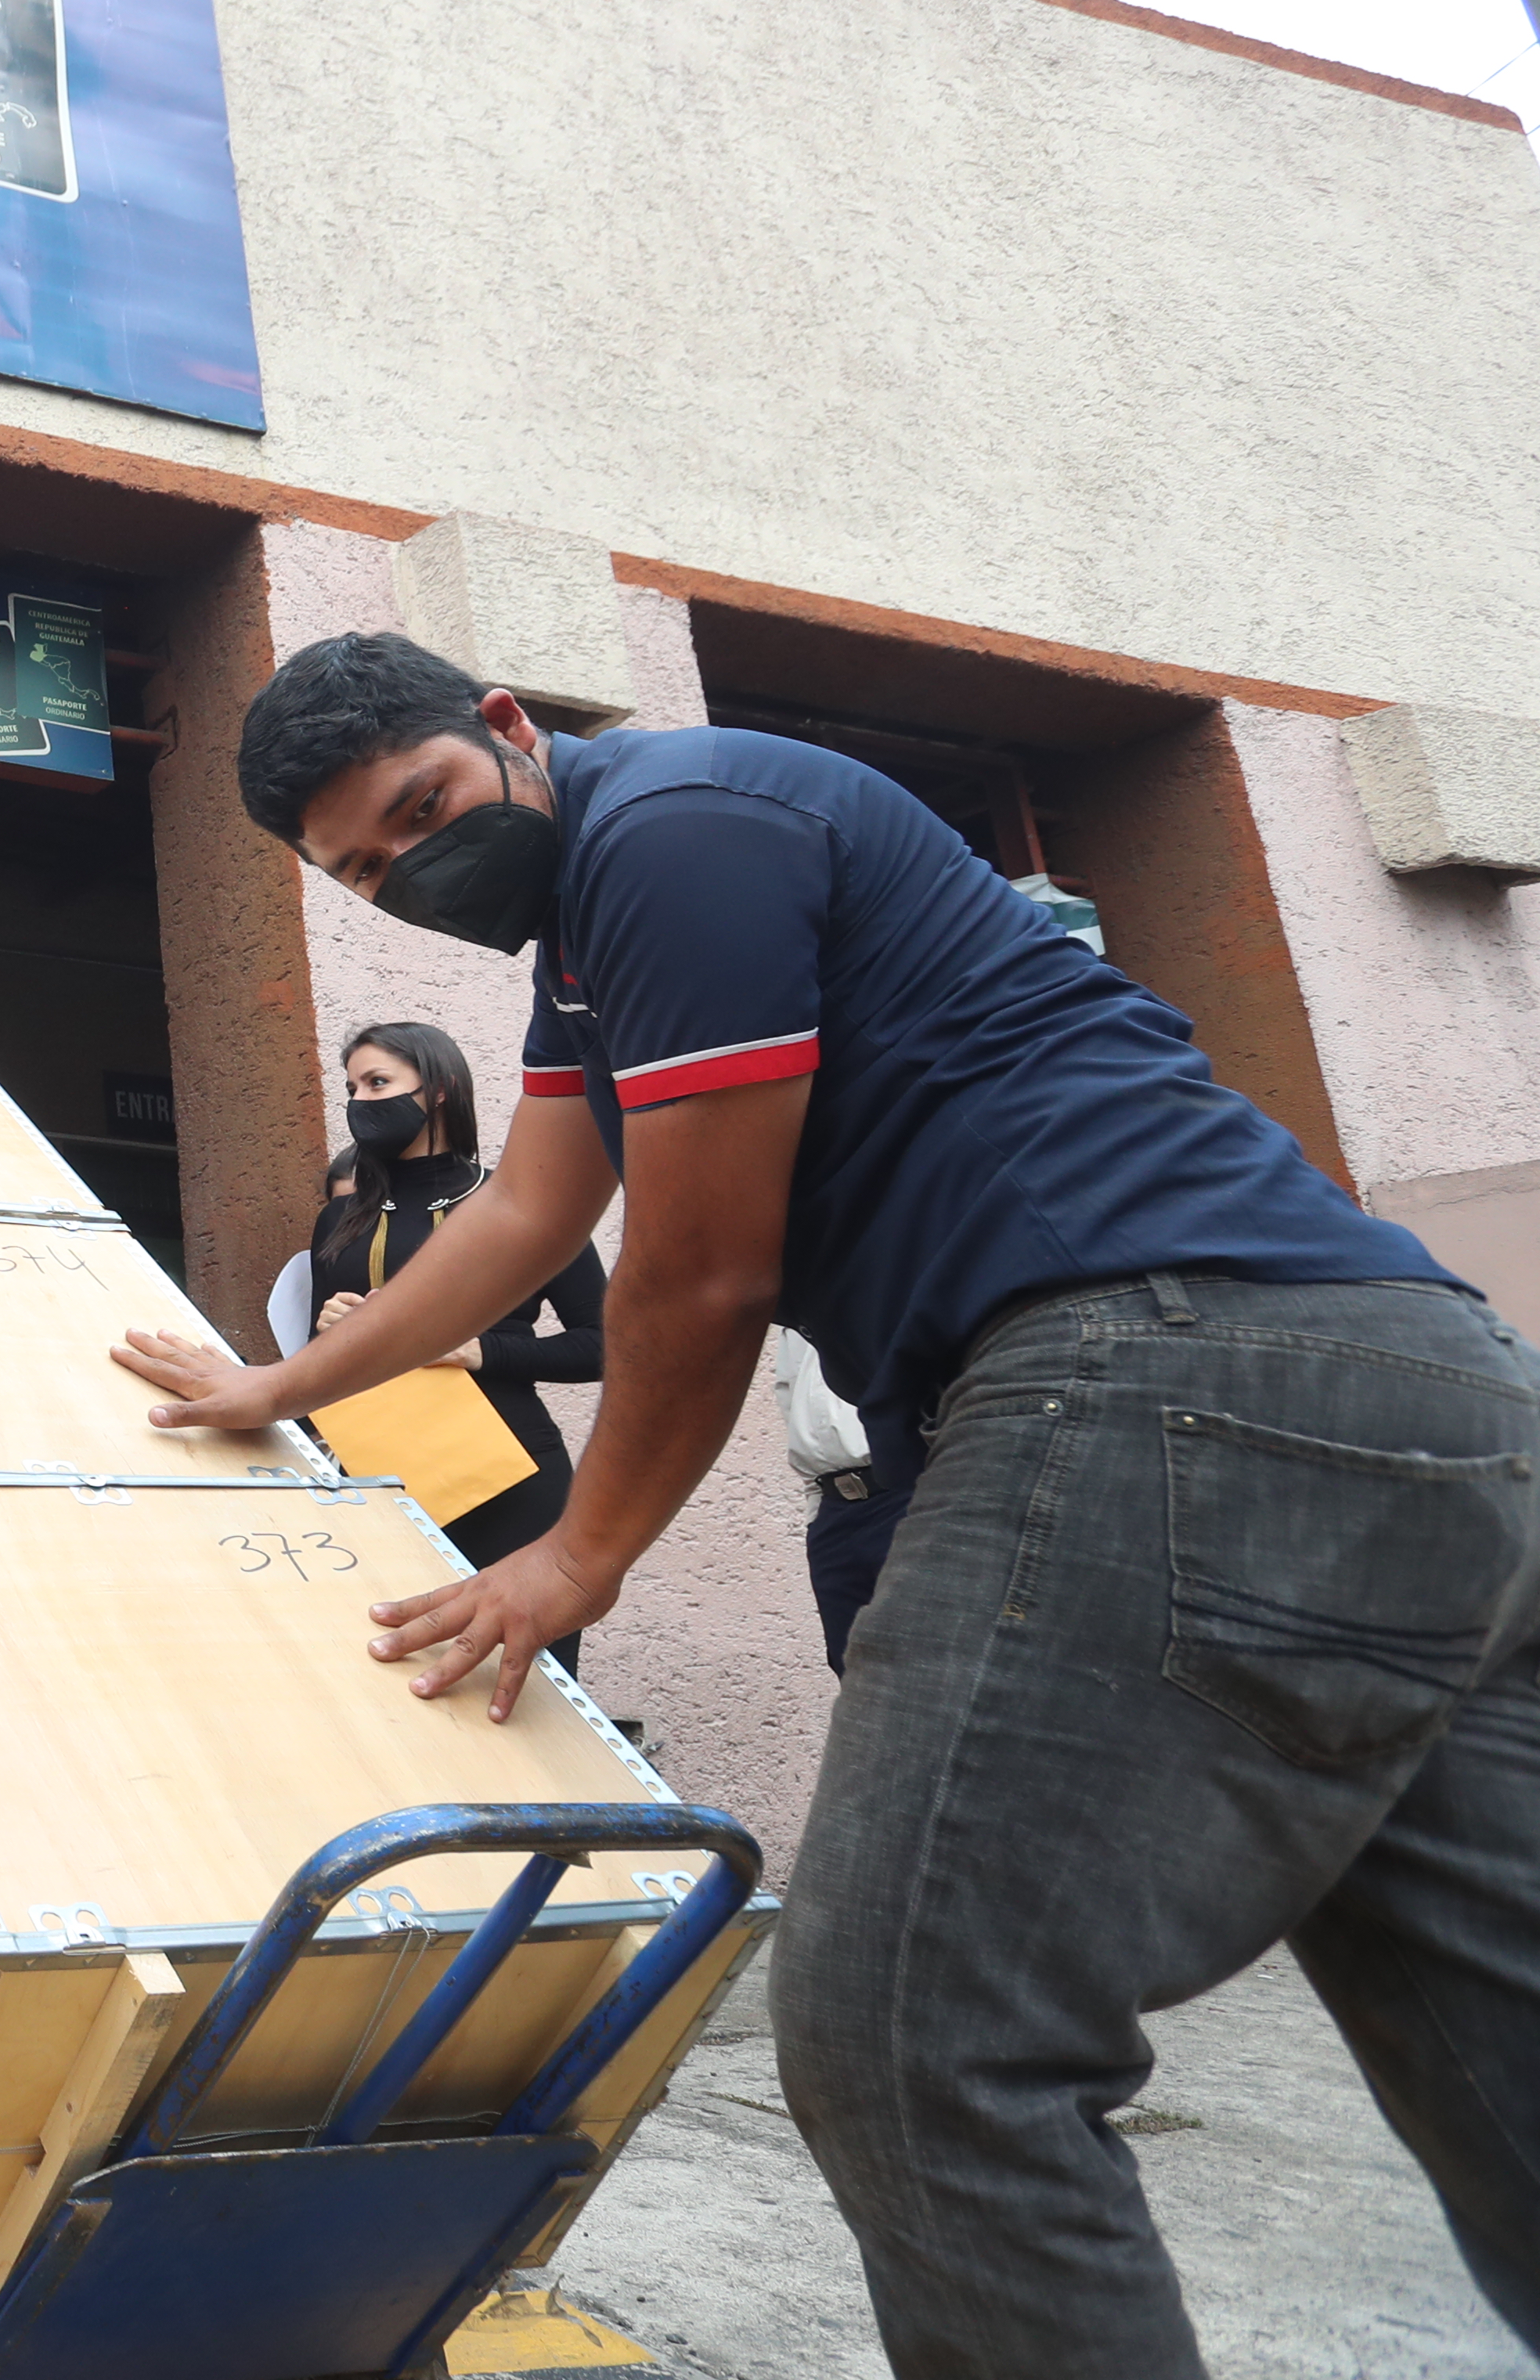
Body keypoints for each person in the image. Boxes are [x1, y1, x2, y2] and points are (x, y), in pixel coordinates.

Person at [114, 633, 1539, 2380]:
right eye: (364, 874)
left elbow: (703, 1272)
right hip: (1434, 1397)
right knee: (1495, 2030)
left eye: (422, 815)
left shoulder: (678, 831)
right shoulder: (594, 929)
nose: (415, 877)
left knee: (914, 2045)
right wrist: (279, 1386)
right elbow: (531, 1219)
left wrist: (582, 1554)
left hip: (1173, 1367)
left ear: (506, 728)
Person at [265, 1018, 606, 1668]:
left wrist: (483, 1350)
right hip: (380, 1475)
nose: (360, 1101)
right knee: (388, 1678)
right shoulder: (341, 1216)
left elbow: (607, 1345)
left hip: (510, 1476)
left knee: (530, 1689)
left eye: (379, 1082)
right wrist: (330, 1331)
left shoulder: (527, 1202)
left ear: (441, 1088)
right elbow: (308, 1371)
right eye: (352, 1087)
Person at [769, 1327, 912, 1678]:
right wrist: (817, 1516)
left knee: (923, 1666)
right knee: (853, 1670)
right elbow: (791, 1397)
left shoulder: (900, 1281)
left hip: (907, 1495)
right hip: (835, 1514)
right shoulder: (803, 1306)